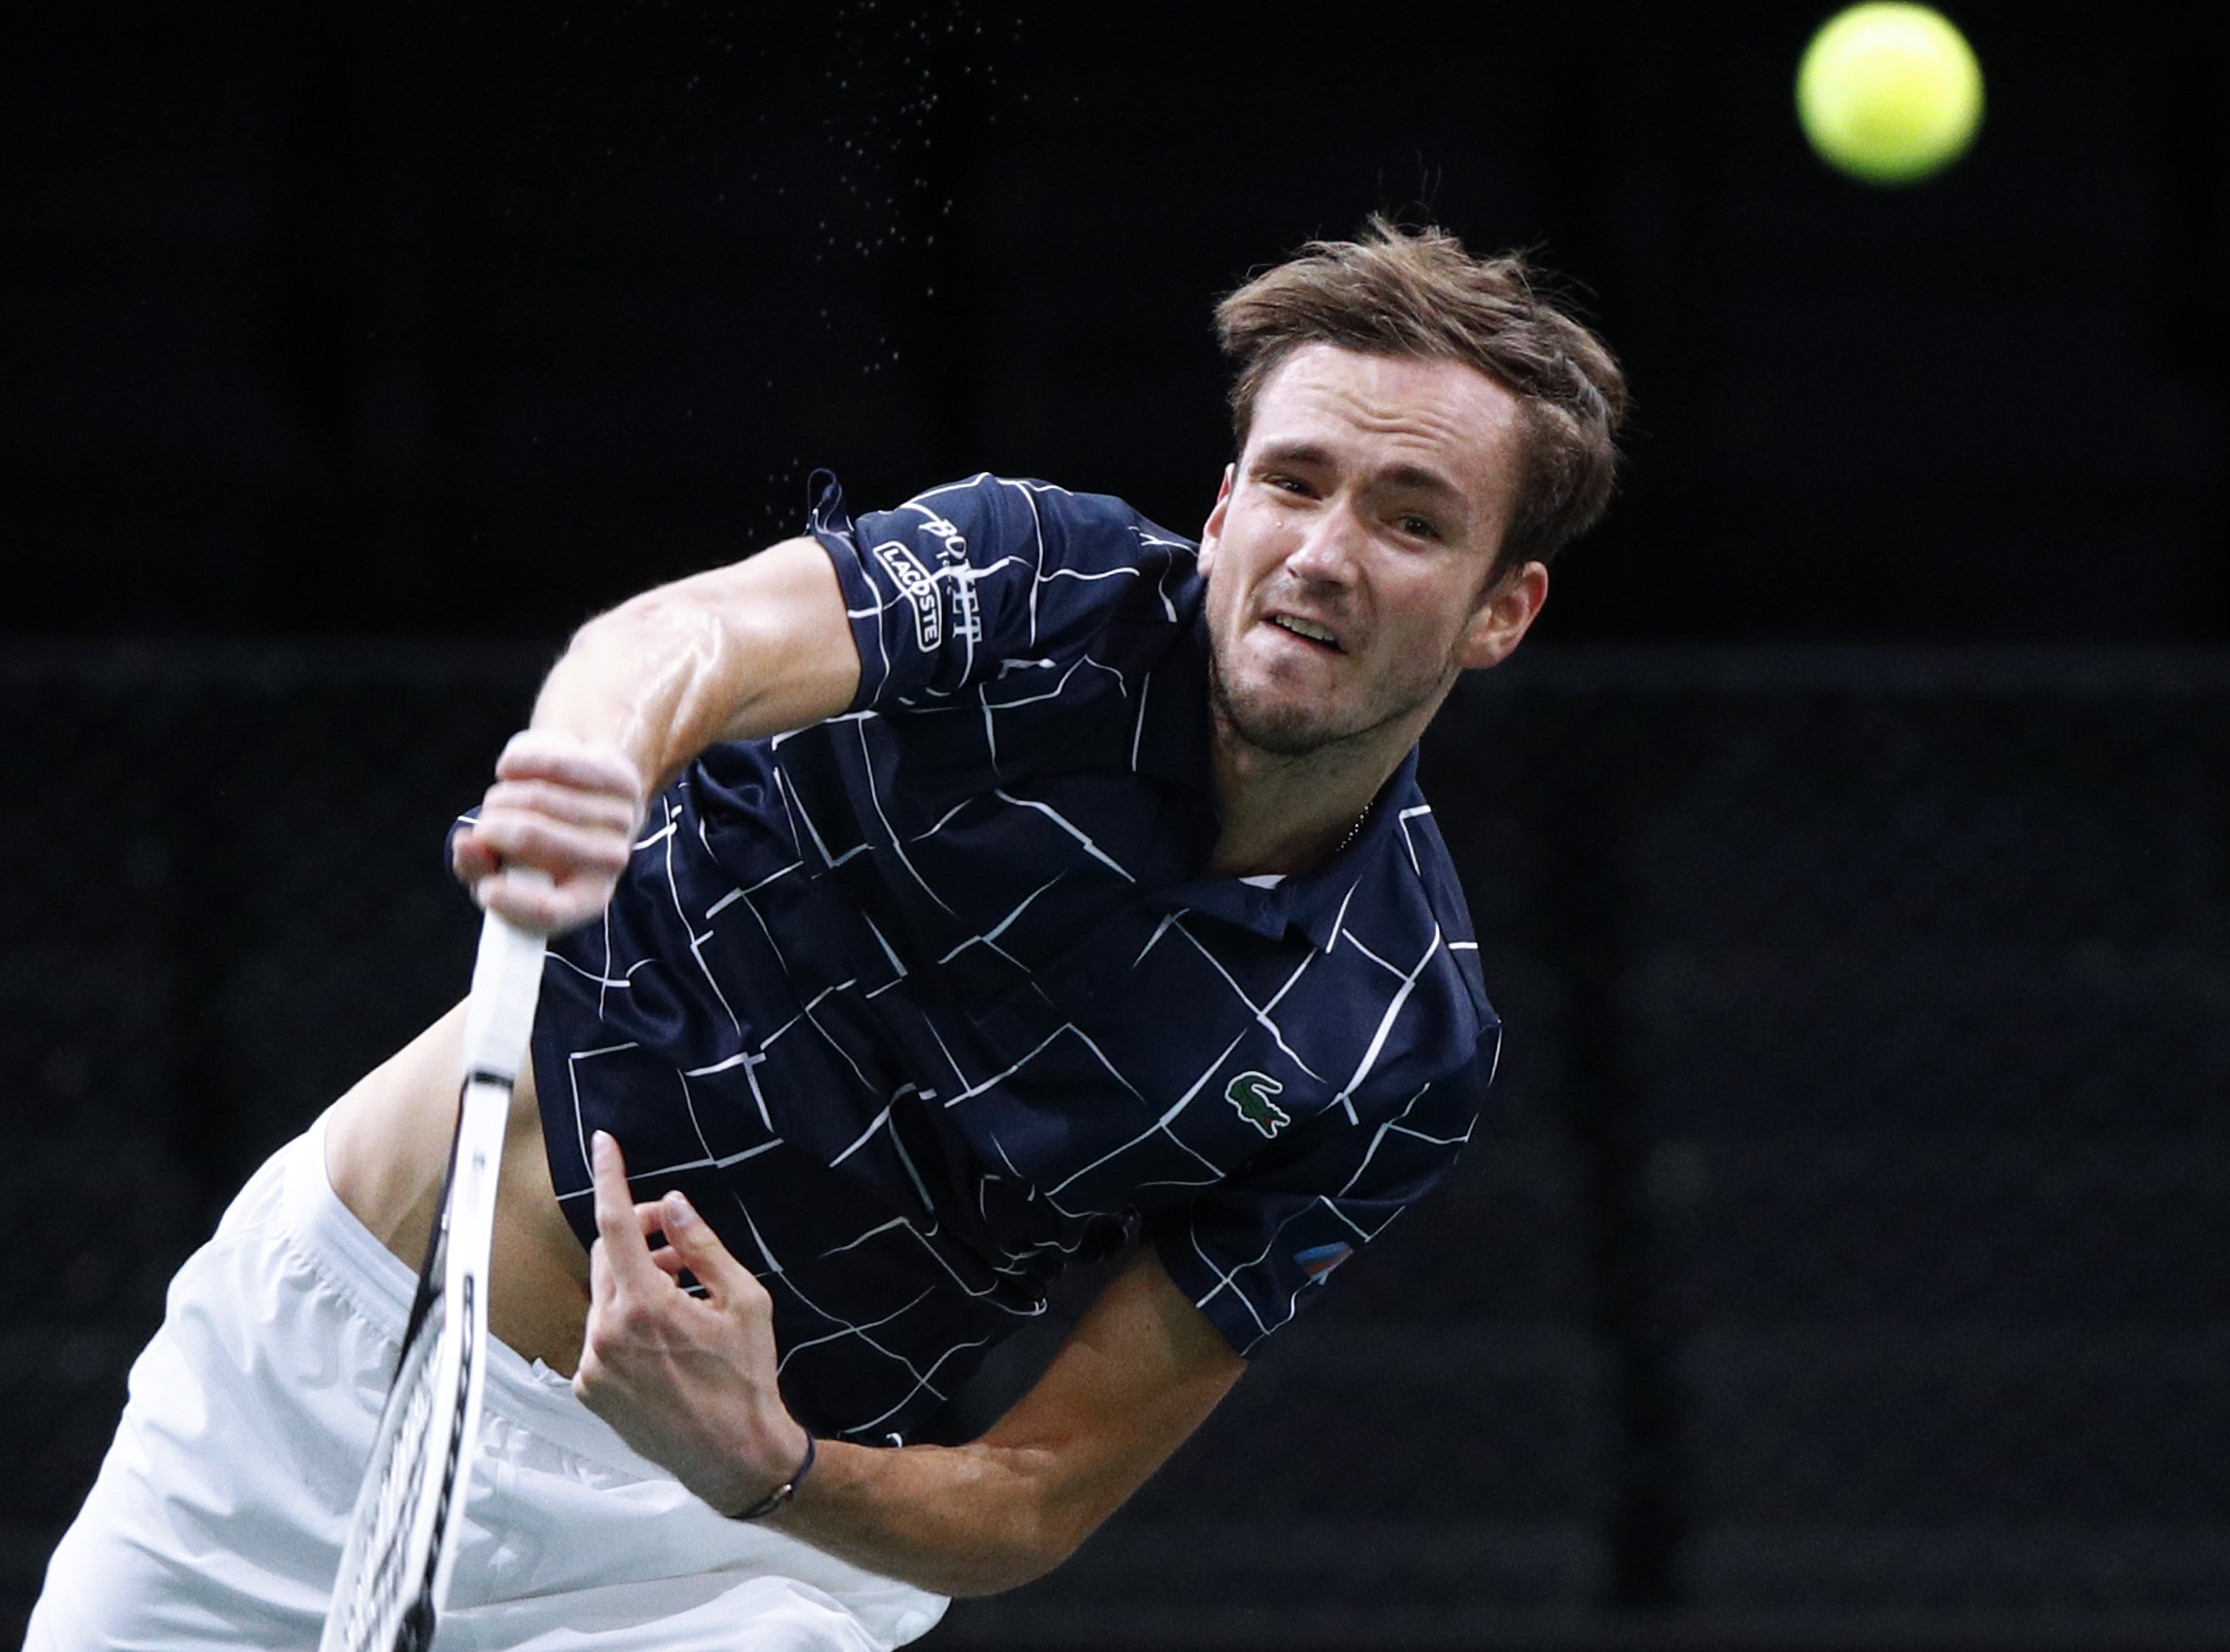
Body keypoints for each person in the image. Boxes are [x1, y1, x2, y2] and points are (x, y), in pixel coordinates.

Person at [26, 218, 1628, 1650]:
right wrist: (596, 759)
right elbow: (693, 638)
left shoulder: (1398, 1034)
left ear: (1505, 608)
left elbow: (1041, 1493)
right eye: (1294, 482)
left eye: (1414, 520)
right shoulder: (1031, 581)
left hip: (725, 1572)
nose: (1326, 551)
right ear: (1224, 506)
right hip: (329, 1376)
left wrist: (768, 1466)